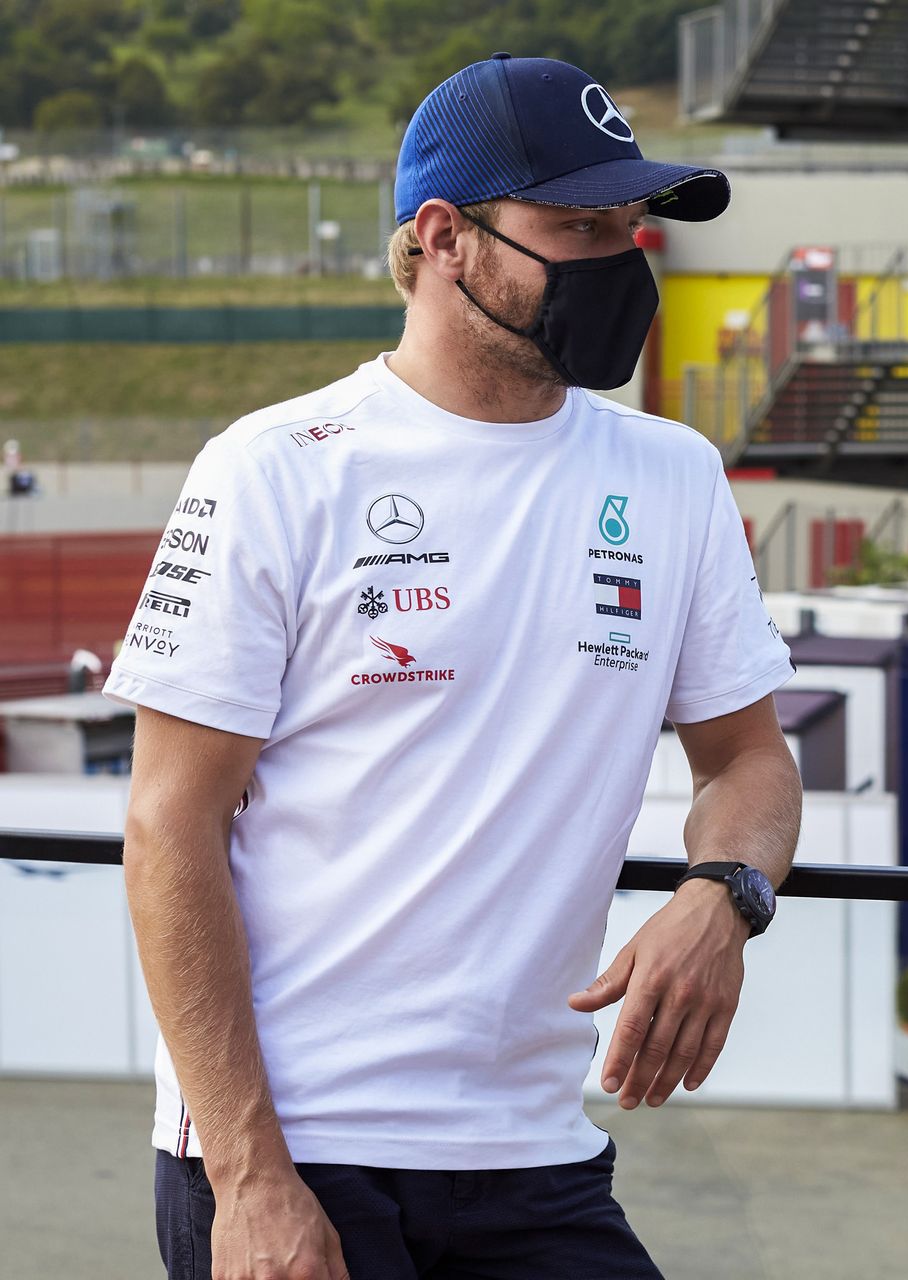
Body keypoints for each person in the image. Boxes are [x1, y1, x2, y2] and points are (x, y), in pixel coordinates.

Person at [107, 54, 799, 1280]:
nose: (620, 260)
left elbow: (749, 758)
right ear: (443, 239)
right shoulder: (276, 467)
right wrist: (250, 1175)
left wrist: (722, 895)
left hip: (535, 1153)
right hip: (294, 1147)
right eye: (578, 227)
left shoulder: (674, 475)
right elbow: (168, 826)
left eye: (628, 226)